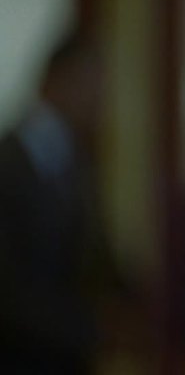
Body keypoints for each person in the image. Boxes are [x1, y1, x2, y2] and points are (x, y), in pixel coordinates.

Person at [0, 31, 119, 373]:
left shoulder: (76, 158)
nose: (98, 100)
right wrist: (87, 330)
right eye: (89, 85)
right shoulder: (9, 163)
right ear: (57, 81)